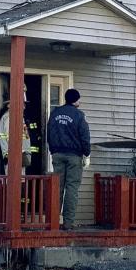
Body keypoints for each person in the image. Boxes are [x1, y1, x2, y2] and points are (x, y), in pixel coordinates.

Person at [47, 88, 90, 230]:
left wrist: (53, 150)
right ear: (76, 100)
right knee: (71, 188)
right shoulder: (79, 115)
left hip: (57, 154)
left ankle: (53, 222)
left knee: (57, 187)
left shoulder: (55, 113)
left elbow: (49, 133)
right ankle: (68, 223)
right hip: (74, 156)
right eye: (79, 99)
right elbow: (84, 136)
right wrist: (87, 154)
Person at [0, 87, 32, 175]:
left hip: (18, 156)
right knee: (14, 183)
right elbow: (11, 137)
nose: (24, 107)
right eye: (21, 104)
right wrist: (15, 155)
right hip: (14, 157)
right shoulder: (10, 117)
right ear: (10, 105)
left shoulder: (17, 117)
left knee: (19, 183)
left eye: (24, 104)